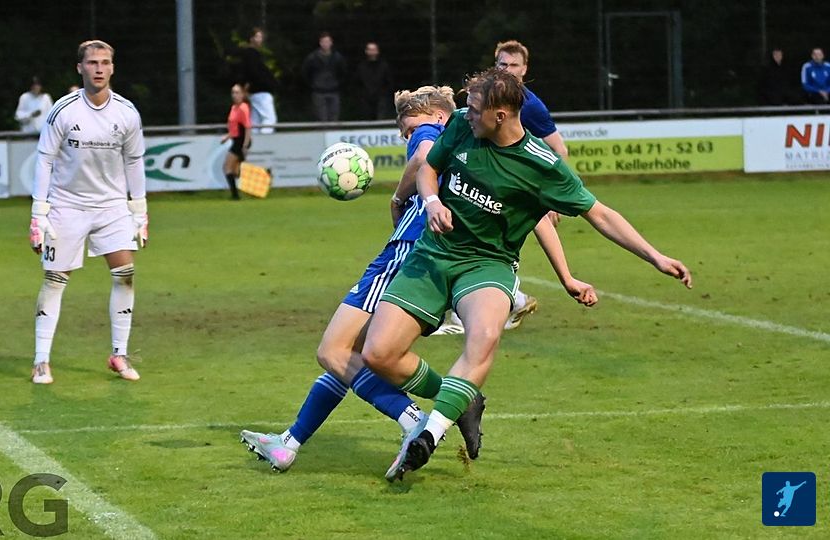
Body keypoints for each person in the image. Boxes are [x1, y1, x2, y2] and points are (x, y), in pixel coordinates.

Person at [240, 86, 596, 472]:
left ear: (438, 116)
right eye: (405, 131)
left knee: (334, 351)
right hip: (433, 254)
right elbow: (536, 214)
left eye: (409, 128)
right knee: (351, 354)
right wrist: (566, 275)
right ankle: (290, 442)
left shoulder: (435, 132)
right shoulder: (472, 146)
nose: (408, 136)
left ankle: (417, 418)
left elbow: (424, 154)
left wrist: (398, 197)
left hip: (408, 253)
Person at [362, 67, 691, 482]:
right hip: (433, 254)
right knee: (378, 354)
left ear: (500, 115)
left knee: (484, 336)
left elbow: (600, 214)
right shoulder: (462, 125)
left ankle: (429, 435)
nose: (466, 113)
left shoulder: (542, 165)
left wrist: (655, 256)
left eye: (476, 109)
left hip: (488, 264)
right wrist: (431, 202)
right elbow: (429, 168)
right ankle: (462, 397)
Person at [29, 39, 149, 385]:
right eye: (93, 62)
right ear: (80, 68)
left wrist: (139, 211)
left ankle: (119, 354)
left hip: (111, 206)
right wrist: (39, 213)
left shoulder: (127, 112)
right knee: (55, 280)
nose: (99, 68)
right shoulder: (63, 110)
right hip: (67, 205)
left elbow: (134, 161)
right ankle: (41, 361)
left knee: (125, 273)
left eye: (105, 62)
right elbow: (45, 159)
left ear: (113, 68)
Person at [433, 39, 568, 336]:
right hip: (491, 180)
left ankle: (482, 307)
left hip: (517, 187)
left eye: (513, 65)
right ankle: (506, 301)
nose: (506, 69)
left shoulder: (531, 107)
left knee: (491, 245)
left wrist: (551, 198)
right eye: (501, 64)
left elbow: (559, 148)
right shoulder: (484, 103)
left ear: (525, 69)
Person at [238, 27, 278, 134]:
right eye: (257, 37)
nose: (260, 39)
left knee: (255, 121)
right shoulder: (251, 54)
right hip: (260, 90)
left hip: (255, 91)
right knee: (269, 119)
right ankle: (264, 141)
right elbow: (252, 73)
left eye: (261, 37)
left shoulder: (252, 54)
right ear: (251, 38)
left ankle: (252, 140)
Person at [302, 32, 346, 122]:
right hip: (318, 92)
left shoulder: (338, 57)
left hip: (334, 91)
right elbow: (305, 73)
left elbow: (343, 72)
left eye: (327, 41)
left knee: (334, 119)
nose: (326, 44)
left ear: (331, 43)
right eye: (324, 42)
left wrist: (337, 84)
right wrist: (314, 84)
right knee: (321, 119)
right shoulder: (312, 58)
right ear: (320, 43)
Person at [219, 83, 251, 200]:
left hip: (241, 142)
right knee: (234, 171)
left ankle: (235, 196)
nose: (234, 95)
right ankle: (260, 175)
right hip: (236, 140)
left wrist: (245, 146)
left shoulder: (243, 108)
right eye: (233, 92)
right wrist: (227, 137)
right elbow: (234, 128)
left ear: (242, 95)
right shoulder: (234, 108)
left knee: (227, 167)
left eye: (237, 92)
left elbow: (247, 128)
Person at [356, 41, 393, 120]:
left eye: (374, 49)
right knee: (366, 120)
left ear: (377, 51)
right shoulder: (361, 66)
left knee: (381, 119)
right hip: (365, 99)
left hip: (381, 98)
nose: (372, 52)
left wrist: (384, 93)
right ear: (366, 51)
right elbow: (357, 82)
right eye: (370, 49)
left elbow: (389, 82)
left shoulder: (384, 66)